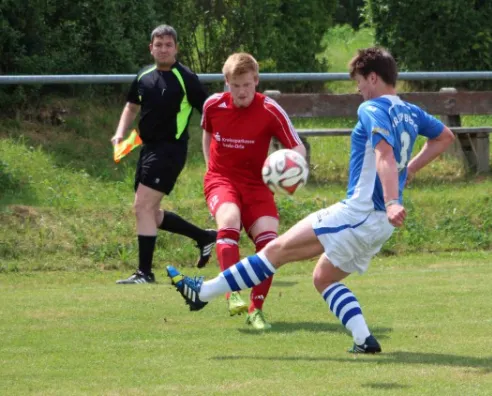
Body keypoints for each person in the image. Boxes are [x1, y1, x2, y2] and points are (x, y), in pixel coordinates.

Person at [165, 47, 455, 352]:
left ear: (373, 77)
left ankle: (204, 292)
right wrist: (406, 171)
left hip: (358, 212)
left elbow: (383, 154)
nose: (357, 88)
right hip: (380, 225)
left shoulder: (371, 109)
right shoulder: (409, 111)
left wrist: (393, 197)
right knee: (323, 277)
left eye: (359, 81)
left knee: (275, 249)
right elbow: (444, 136)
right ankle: (363, 339)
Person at [200, 52, 306, 329]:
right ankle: (232, 293)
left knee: (270, 243)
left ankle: (255, 310)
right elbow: (208, 133)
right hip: (222, 179)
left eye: (247, 84)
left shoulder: (270, 109)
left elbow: (297, 147)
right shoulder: (213, 105)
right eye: (235, 85)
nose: (242, 91)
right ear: (227, 82)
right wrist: (210, 168)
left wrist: (290, 168)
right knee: (230, 221)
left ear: (256, 81)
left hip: (258, 185)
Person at [111, 25, 217, 284]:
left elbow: (209, 112)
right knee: (151, 213)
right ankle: (203, 236)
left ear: (176, 48)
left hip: (170, 151)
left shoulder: (186, 77)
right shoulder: (144, 75)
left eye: (168, 45)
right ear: (151, 48)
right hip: (146, 149)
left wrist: (219, 144)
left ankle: (144, 273)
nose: (163, 49)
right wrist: (120, 133)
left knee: (142, 207)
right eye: (158, 45)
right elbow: (131, 106)